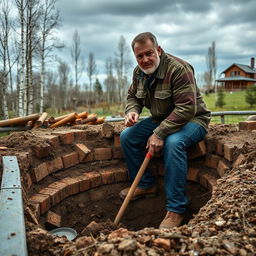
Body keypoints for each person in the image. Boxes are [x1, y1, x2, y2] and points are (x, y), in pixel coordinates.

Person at [120, 32, 211, 229]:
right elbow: (132, 96)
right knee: (127, 136)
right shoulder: (139, 72)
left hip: (192, 120)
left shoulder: (179, 69)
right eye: (140, 56)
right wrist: (132, 111)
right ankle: (145, 185)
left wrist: (160, 133)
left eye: (149, 53)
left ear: (158, 50)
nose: (145, 59)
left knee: (173, 142)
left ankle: (176, 209)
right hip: (161, 119)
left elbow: (186, 108)